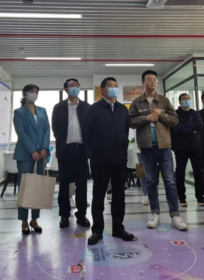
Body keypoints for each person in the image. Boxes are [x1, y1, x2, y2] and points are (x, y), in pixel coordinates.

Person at [129, 70, 188, 231]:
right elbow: (130, 122)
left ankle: (175, 215)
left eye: (155, 79)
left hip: (164, 147)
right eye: (149, 79)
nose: (153, 82)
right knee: (150, 181)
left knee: (169, 180)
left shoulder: (164, 100)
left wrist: (160, 115)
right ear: (143, 82)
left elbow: (174, 120)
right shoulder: (136, 102)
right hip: (146, 147)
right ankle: (155, 213)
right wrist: (145, 118)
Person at [82, 77, 137, 245]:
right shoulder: (93, 109)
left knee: (119, 196)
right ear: (103, 90)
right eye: (110, 86)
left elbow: (125, 131)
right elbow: (86, 133)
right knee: (98, 196)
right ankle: (97, 231)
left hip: (120, 159)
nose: (114, 88)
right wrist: (94, 152)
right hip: (100, 160)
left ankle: (118, 228)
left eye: (116, 86)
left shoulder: (123, 109)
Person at [52, 78, 90, 229]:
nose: (74, 88)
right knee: (64, 185)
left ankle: (82, 215)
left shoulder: (87, 107)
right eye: (71, 86)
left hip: (81, 150)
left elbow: (91, 127)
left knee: (82, 185)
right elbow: (55, 128)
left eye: (77, 85)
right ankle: (64, 215)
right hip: (65, 151)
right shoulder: (58, 107)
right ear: (66, 90)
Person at [12, 84, 50, 235]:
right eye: (31, 91)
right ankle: (24, 221)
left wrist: (44, 149)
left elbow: (47, 130)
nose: (34, 94)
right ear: (24, 94)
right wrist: (32, 151)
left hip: (41, 156)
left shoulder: (42, 110)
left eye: (36, 92)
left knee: (37, 189)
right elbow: (21, 133)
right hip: (25, 155)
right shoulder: (19, 112)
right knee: (25, 189)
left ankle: (34, 219)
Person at [172, 94, 204, 207]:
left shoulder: (195, 113)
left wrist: (186, 127)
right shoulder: (175, 113)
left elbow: (199, 125)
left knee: (199, 172)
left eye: (189, 99)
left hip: (195, 147)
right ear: (180, 102)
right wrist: (191, 130)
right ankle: (181, 198)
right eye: (185, 99)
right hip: (180, 147)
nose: (187, 101)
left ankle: (200, 197)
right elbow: (176, 127)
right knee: (180, 173)